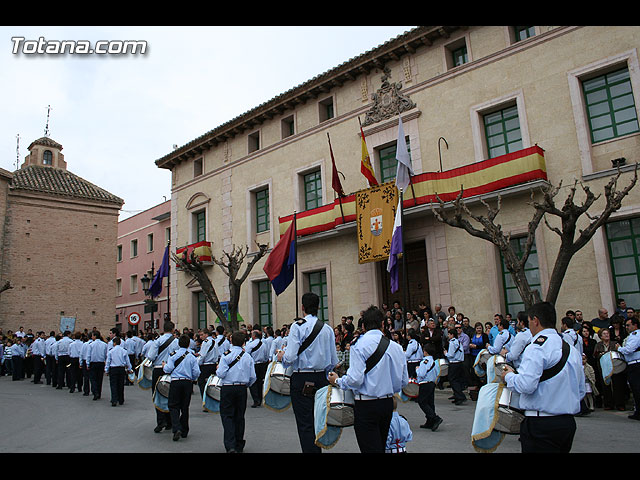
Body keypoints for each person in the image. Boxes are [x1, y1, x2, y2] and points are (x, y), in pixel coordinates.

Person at [501, 302, 585, 453]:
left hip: (541, 423)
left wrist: (509, 376)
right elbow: (580, 390)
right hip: (567, 422)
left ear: (535, 320)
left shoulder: (537, 347)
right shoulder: (570, 349)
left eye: (529, 322)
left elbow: (526, 385)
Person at [328, 305, 408, 453]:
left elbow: (355, 379)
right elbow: (403, 381)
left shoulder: (359, 345)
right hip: (387, 402)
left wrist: (338, 381)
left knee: (370, 448)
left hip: (366, 404)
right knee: (381, 445)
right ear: (383, 324)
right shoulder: (396, 347)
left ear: (363, 326)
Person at [278, 292, 337, 453]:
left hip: (302, 376)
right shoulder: (327, 329)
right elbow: (333, 360)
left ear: (303, 307)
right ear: (318, 307)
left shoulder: (297, 326)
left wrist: (282, 357)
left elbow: (290, 357)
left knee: (305, 423)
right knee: (319, 419)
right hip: (321, 377)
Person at [216, 330, 256, 453]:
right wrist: (245, 384)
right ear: (244, 343)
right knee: (239, 416)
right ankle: (239, 443)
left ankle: (230, 444)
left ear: (231, 341)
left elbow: (221, 373)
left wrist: (218, 369)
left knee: (227, 416)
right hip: (241, 388)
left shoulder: (226, 355)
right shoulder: (247, 356)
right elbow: (253, 377)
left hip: (228, 387)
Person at [163, 334, 201, 441]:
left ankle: (176, 427)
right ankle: (184, 429)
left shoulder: (173, 354)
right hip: (187, 383)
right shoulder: (192, 355)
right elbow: (196, 372)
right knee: (185, 407)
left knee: (173, 405)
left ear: (178, 344)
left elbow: (168, 369)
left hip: (175, 381)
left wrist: (164, 366)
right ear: (189, 344)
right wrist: (192, 378)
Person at [146, 320, 179, 433]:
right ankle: (170, 421)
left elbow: (150, 356)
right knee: (170, 395)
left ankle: (161, 421)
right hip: (171, 370)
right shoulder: (176, 342)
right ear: (173, 329)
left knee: (157, 394)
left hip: (158, 369)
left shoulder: (157, 341)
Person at [615, 316, 640, 420]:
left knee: (637, 389)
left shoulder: (635, 335)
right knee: (635, 389)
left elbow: (629, 349)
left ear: (635, 325)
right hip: (633, 364)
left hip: (635, 365)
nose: (626, 327)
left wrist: (619, 348)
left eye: (628, 325)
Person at [416, 343, 443, 431]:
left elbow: (421, 374)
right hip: (431, 383)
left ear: (425, 352)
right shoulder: (434, 362)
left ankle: (435, 418)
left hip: (425, 383)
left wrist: (417, 370)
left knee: (422, 402)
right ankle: (430, 421)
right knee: (430, 402)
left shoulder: (425, 362)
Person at [104, 336, 133, 407]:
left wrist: (106, 370)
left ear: (114, 343)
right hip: (121, 369)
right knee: (120, 384)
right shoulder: (124, 351)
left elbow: (108, 361)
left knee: (113, 384)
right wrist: (129, 369)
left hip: (113, 368)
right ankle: (121, 399)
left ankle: (114, 399)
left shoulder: (111, 351)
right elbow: (127, 361)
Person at [246, 329, 270, 408]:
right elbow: (267, 355)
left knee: (253, 382)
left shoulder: (250, 345)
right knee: (260, 382)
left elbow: (247, 355)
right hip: (262, 364)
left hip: (254, 364)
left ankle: (256, 399)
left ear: (254, 336)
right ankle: (260, 398)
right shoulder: (264, 344)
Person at [196, 328, 219, 404]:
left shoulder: (205, 342)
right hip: (213, 364)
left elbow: (203, 355)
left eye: (202, 335)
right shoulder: (214, 341)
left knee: (202, 383)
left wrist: (197, 363)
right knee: (211, 384)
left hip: (206, 365)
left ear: (206, 334)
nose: (201, 337)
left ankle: (205, 401)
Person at [445, 326, 466, 405]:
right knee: (457, 379)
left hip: (454, 363)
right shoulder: (458, 341)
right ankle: (457, 395)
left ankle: (460, 396)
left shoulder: (452, 342)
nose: (448, 336)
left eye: (449, 334)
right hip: (460, 362)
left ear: (452, 335)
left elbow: (451, 354)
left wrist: (445, 353)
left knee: (453, 380)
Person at [87, 331, 107, 400]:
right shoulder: (104, 344)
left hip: (93, 363)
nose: (92, 337)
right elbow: (105, 354)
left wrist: (88, 363)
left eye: (92, 336)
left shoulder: (91, 345)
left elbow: (88, 355)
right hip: (101, 363)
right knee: (99, 378)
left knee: (93, 378)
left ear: (95, 336)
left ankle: (95, 392)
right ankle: (99, 392)